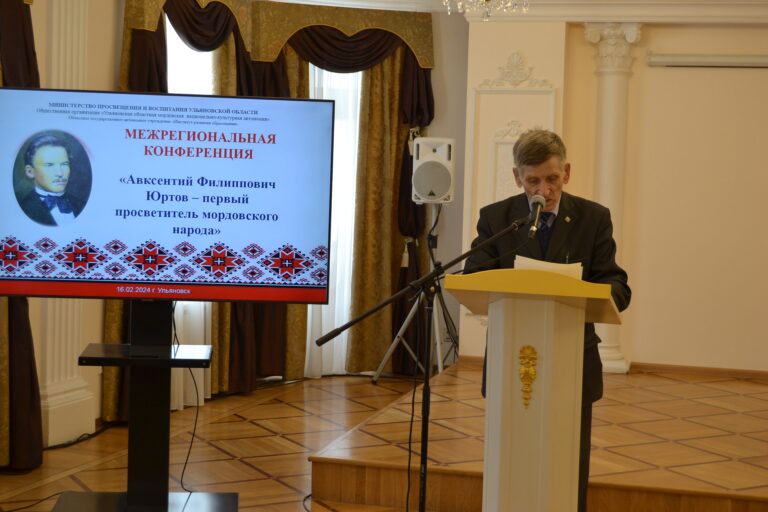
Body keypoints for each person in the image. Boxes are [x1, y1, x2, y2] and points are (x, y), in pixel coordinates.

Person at [464, 129, 631, 512]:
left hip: (573, 359)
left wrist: (592, 293)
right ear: (517, 177)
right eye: (533, 180)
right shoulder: (497, 218)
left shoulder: (593, 217)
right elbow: (474, 277)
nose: (545, 190)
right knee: (513, 456)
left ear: (566, 172)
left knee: (567, 463)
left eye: (552, 178)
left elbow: (616, 283)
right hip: (511, 359)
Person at [19, 134, 86, 226]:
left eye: (64, 164)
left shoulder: (81, 204)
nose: (60, 173)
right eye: (49, 165)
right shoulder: (23, 208)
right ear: (30, 172)